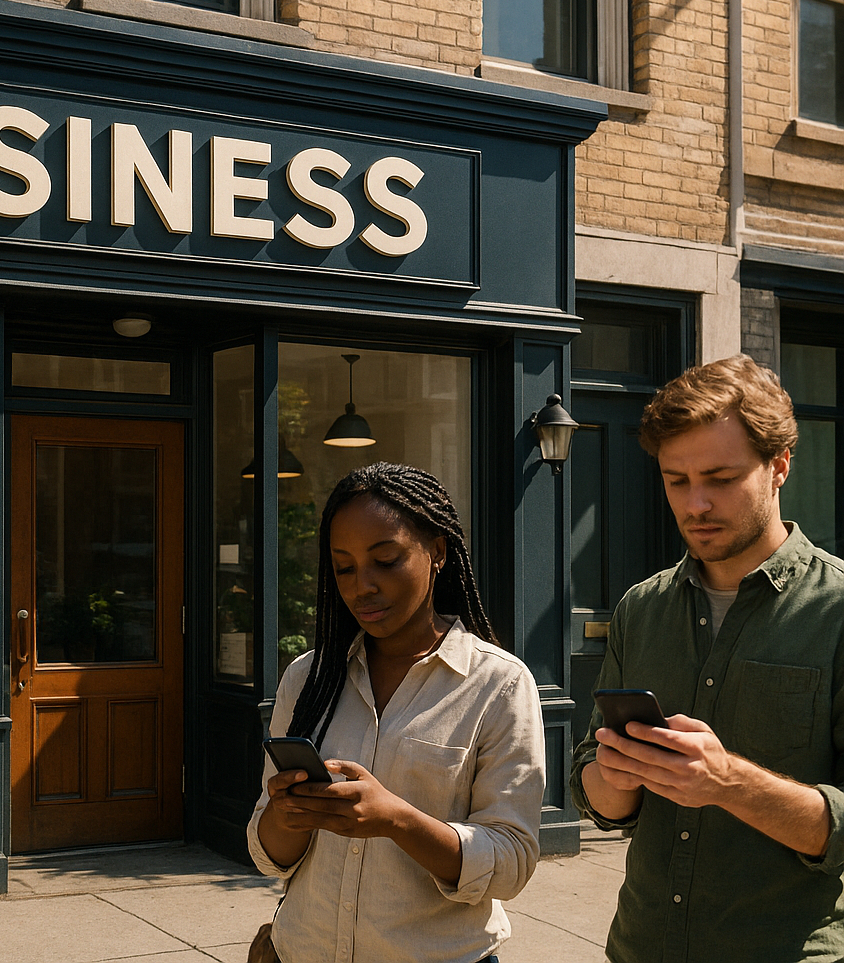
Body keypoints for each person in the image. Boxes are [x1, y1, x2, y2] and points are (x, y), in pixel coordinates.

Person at [570, 354, 844, 962]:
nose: (695, 505)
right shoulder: (642, 608)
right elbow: (595, 785)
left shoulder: (838, 612)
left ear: (779, 467)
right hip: (641, 948)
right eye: (677, 480)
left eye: (720, 478)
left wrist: (729, 783)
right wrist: (612, 780)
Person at [247, 462, 545, 963]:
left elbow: (511, 863)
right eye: (343, 567)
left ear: (438, 552)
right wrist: (286, 813)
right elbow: (268, 855)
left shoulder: (498, 684)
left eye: (385, 560)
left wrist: (397, 820)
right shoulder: (308, 679)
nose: (361, 585)